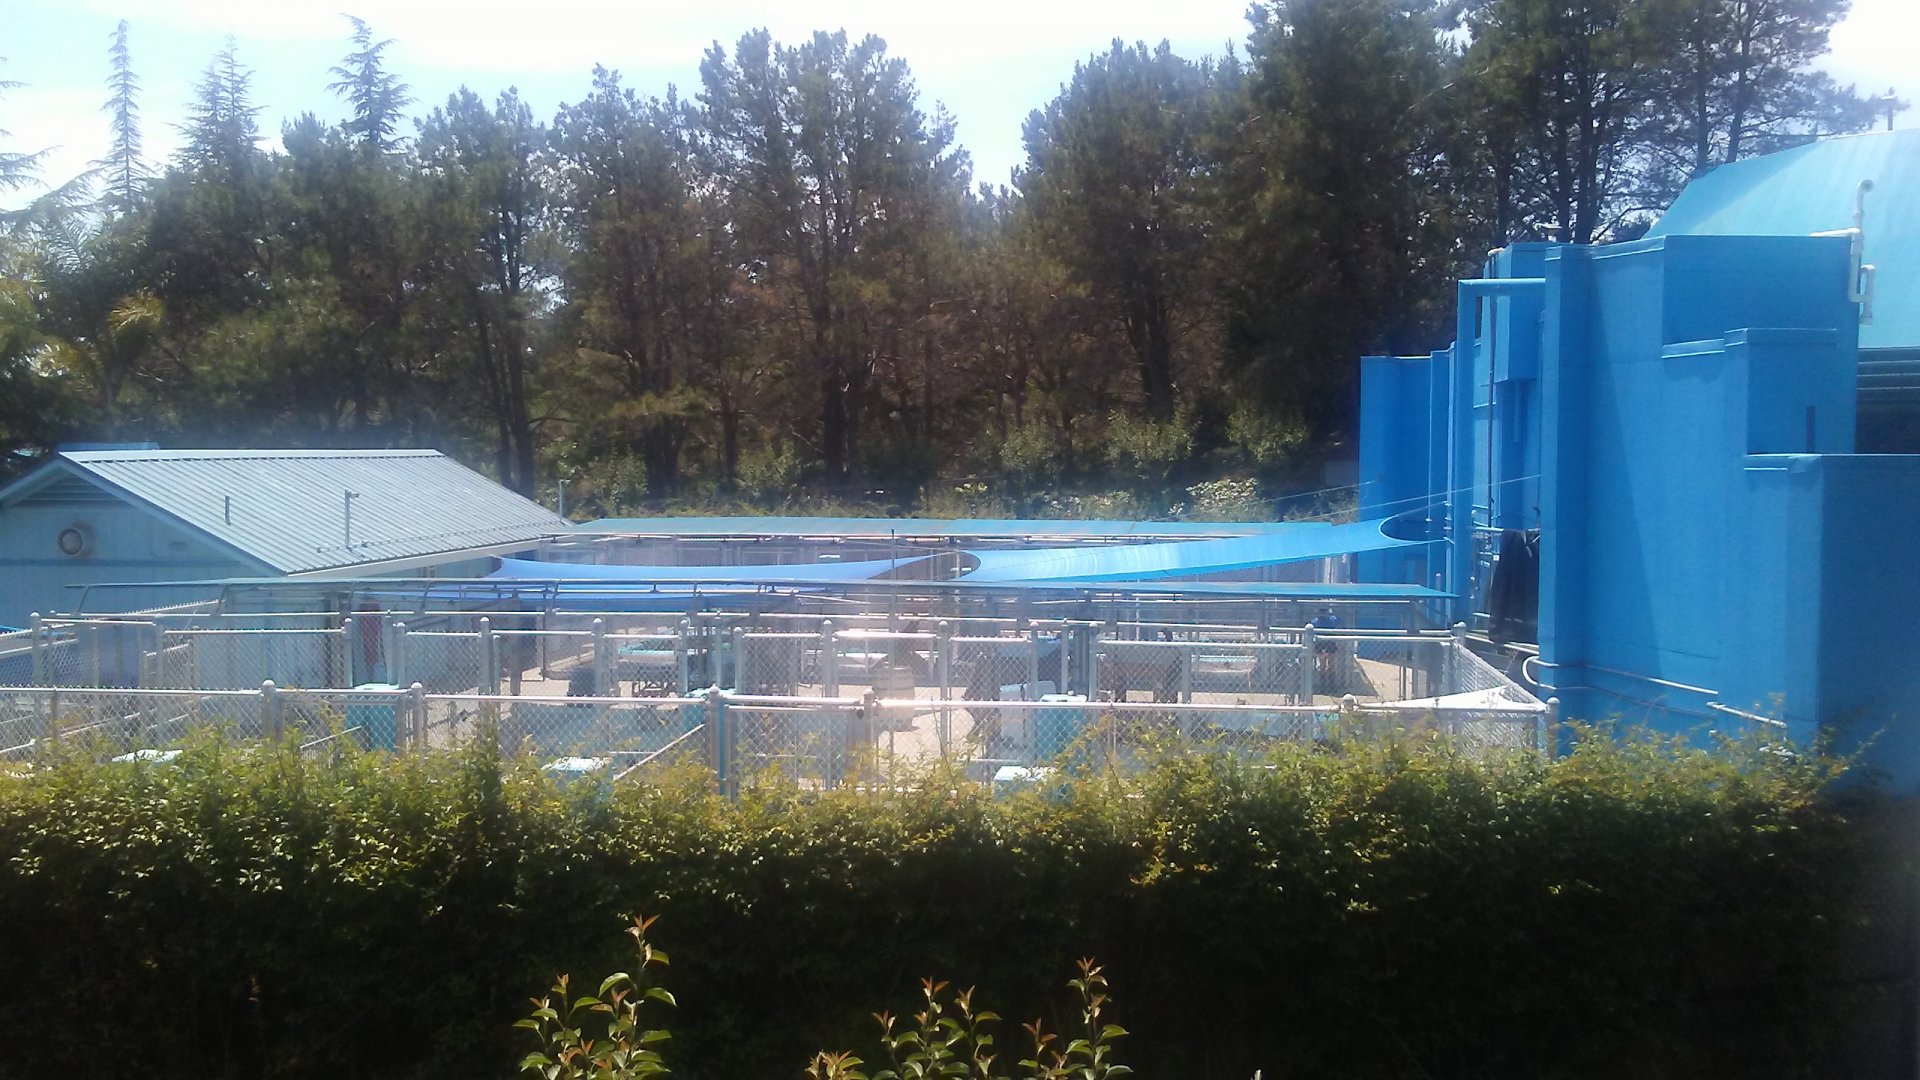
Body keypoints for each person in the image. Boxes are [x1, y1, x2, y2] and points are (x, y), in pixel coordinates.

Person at [1311, 606, 1342, 690]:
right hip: (1321, 644)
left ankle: (1331, 685)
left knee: (1331, 665)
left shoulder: (1332, 619)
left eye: (1324, 611)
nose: (1322, 613)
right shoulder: (1315, 621)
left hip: (1330, 642)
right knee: (1323, 665)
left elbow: (1339, 620)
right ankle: (1323, 685)